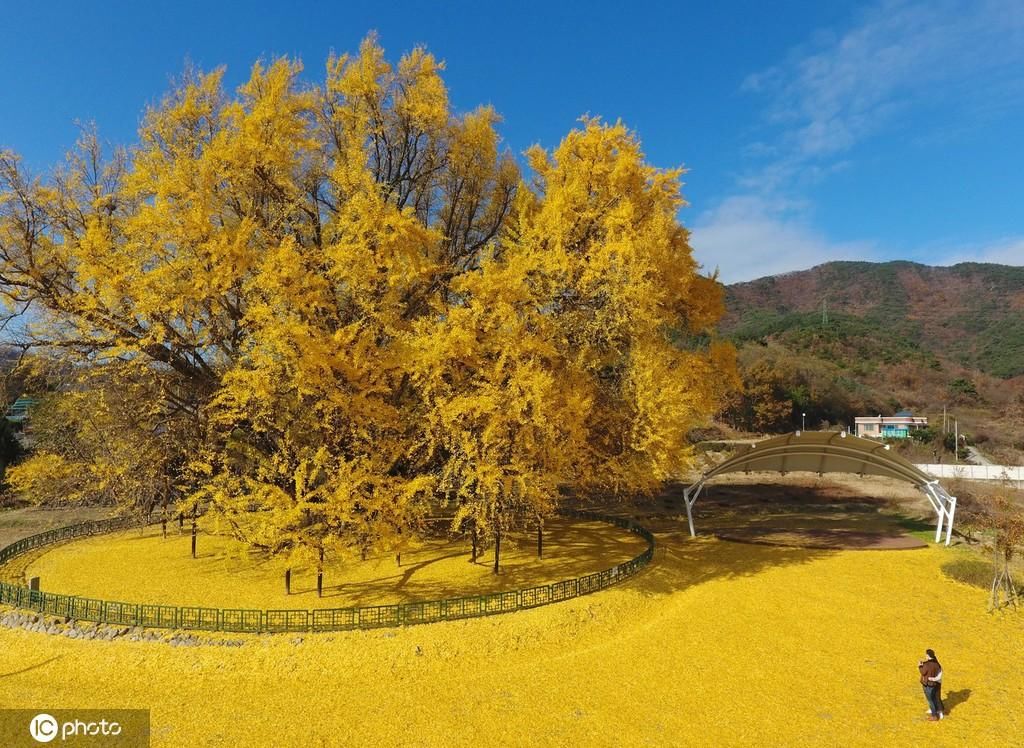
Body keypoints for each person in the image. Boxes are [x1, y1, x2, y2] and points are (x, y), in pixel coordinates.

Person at [918, 648, 945, 721]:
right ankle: (939, 711)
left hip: (928, 684)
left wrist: (920, 666)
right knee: (936, 697)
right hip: (935, 683)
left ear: (928, 655)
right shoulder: (937, 664)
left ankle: (934, 715)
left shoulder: (927, 664)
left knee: (931, 699)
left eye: (926, 655)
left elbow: (923, 672)